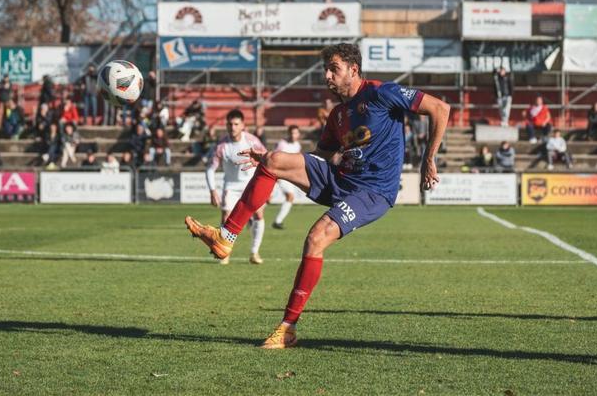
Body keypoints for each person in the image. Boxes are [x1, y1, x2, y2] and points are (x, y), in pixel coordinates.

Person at [184, 43, 449, 349]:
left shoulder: (381, 93)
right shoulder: (338, 115)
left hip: (373, 191)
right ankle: (226, 237)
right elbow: (321, 155)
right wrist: (270, 161)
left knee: (316, 238)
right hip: (341, 179)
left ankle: (288, 328)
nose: (327, 75)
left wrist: (428, 158)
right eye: (326, 69)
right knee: (274, 159)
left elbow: (440, 109)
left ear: (353, 69)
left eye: (334, 69)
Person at [204, 109, 268, 265]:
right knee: (227, 219)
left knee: (259, 215)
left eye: (236, 124)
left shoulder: (252, 141)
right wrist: (212, 190)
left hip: (251, 184)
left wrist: (267, 184)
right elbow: (210, 169)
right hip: (231, 186)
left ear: (243, 125)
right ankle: (224, 252)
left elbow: (268, 160)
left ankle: (254, 252)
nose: (232, 127)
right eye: (230, 124)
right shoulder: (221, 146)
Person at [272, 125, 302, 230]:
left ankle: (278, 221)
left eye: (296, 133)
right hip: (279, 174)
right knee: (268, 199)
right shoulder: (282, 144)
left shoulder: (297, 145)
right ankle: (253, 217)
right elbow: (274, 158)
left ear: (298, 134)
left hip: (288, 175)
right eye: (292, 133)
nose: (294, 135)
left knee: (290, 197)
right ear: (288, 133)